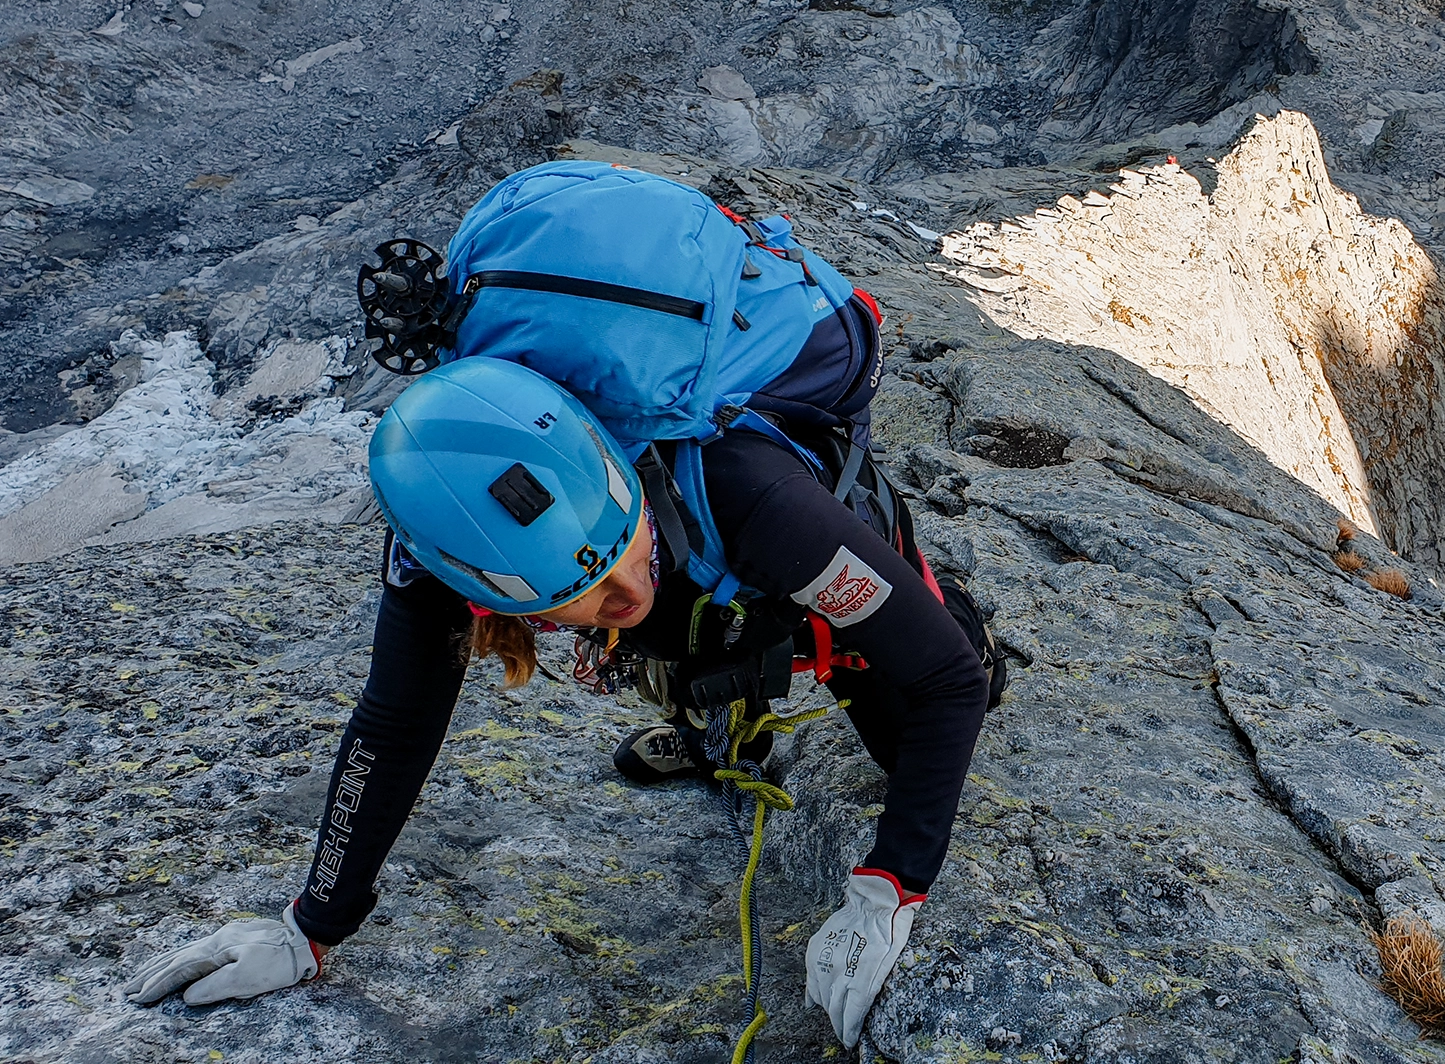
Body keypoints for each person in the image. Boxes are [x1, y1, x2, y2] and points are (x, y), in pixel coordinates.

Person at [119, 162, 997, 1050]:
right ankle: (716, 715)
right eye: (584, 598)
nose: (625, 592)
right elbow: (395, 721)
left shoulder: (749, 493)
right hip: (675, 499)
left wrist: (889, 888)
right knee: (665, 613)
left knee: (894, 699)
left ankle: (921, 592)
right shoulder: (450, 533)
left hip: (789, 382)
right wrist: (309, 928)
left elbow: (949, 684)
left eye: (625, 554)